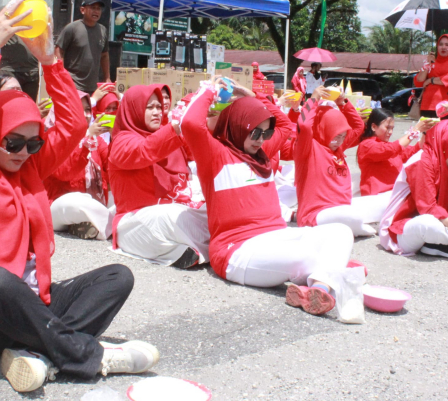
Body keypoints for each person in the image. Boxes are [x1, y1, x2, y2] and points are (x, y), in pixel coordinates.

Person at [0, 0, 157, 393]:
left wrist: (49, 59)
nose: (23, 153)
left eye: (33, 144)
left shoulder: (31, 165)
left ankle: (38, 352)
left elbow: (73, 123)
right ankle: (90, 356)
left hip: (34, 303)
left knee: (117, 276)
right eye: (13, 142)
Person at [180, 80, 353, 316]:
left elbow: (284, 124)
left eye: (266, 132)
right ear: (239, 125)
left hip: (275, 235)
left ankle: (320, 287)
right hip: (237, 250)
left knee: (341, 232)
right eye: (255, 131)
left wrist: (252, 95)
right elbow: (190, 124)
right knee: (307, 255)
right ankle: (330, 273)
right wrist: (210, 89)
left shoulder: (260, 154)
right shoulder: (216, 155)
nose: (261, 139)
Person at [108, 85, 209, 269]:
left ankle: (188, 249)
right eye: (149, 107)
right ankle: (199, 246)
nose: (157, 112)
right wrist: (175, 128)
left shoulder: (167, 136)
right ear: (134, 109)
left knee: (213, 205)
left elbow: (197, 149)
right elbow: (146, 150)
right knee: (169, 215)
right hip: (135, 223)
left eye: (159, 107)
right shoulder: (122, 141)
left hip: (178, 210)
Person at [379, 120, 448, 258]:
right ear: (446, 145)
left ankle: (438, 243)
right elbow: (429, 208)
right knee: (429, 223)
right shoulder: (421, 161)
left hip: (436, 219)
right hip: (401, 229)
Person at [294, 89, 383, 237]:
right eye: (335, 136)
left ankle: (355, 225)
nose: (339, 141)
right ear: (324, 130)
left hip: (340, 208)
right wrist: (314, 98)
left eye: (342, 136)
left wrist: (342, 103)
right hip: (315, 215)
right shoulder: (308, 149)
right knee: (354, 215)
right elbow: (303, 126)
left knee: (385, 202)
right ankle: (357, 226)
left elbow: (358, 126)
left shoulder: (338, 147)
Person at [46, 91, 113, 240]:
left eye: (88, 109)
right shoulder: (52, 138)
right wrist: (86, 141)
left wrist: (116, 137)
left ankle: (91, 223)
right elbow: (64, 173)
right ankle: (111, 226)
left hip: (93, 203)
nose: (85, 114)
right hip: (58, 205)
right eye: (77, 108)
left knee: (121, 196)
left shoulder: (97, 141)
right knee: (76, 200)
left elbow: (113, 171)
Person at [357, 108, 433, 203]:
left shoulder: (388, 146)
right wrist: (415, 131)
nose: (390, 132)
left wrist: (425, 131)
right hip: (377, 198)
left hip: (394, 196)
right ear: (373, 127)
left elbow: (415, 150)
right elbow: (392, 149)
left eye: (392, 128)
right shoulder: (366, 145)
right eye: (387, 127)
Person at [54, 0, 109, 94]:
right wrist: (62, 74)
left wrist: (107, 78)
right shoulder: (72, 28)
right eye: (92, 8)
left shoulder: (103, 30)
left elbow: (104, 55)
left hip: (93, 86)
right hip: (73, 85)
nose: (96, 11)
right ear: (82, 10)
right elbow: (59, 50)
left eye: (98, 9)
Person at [0, 0, 41, 100]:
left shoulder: (37, 12)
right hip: (10, 70)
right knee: (10, 105)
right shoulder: (5, 12)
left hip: (31, 71)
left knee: (29, 107)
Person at [414, 35, 448, 118]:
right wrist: (427, 64)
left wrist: (430, 80)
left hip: (447, 106)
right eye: (441, 44)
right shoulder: (432, 61)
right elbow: (419, 82)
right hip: (427, 106)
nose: (443, 47)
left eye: (447, 45)